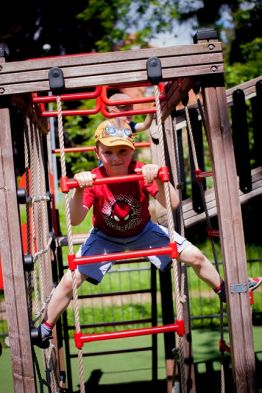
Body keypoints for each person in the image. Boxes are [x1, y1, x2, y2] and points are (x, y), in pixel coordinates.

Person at [32, 118, 262, 348]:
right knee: (70, 280)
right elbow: (75, 219)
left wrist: (159, 179)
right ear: (97, 152)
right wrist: (79, 191)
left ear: (132, 150)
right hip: (104, 236)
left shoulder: (140, 172)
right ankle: (45, 328)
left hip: (144, 231)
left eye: (122, 151)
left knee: (195, 255)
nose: (115, 158)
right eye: (108, 152)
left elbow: (172, 203)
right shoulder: (94, 179)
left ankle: (222, 290)